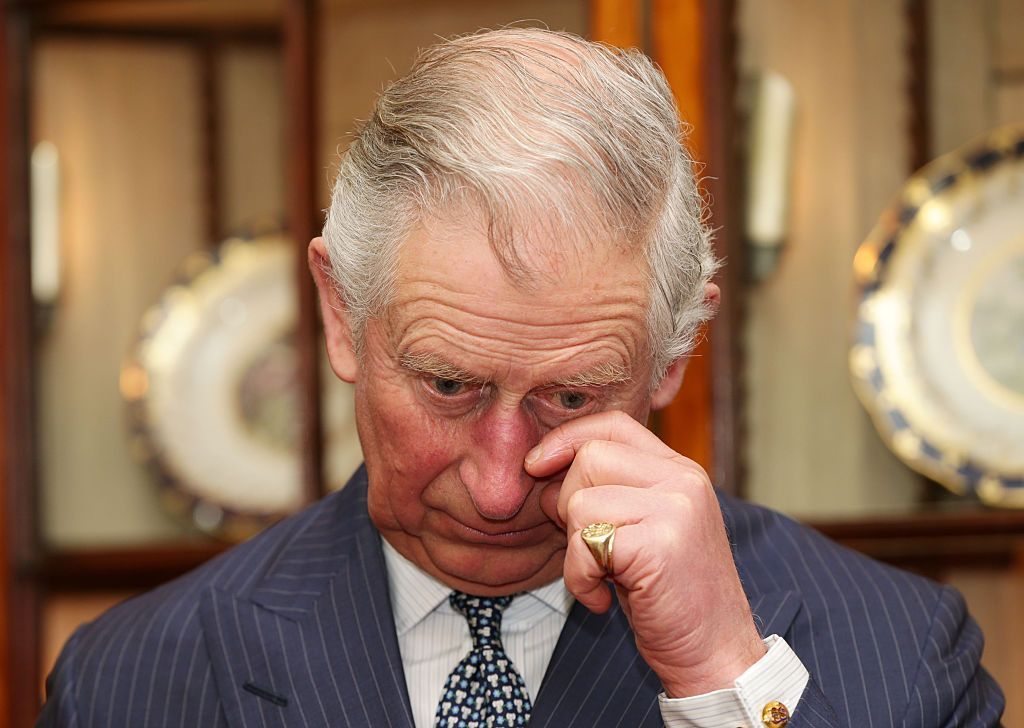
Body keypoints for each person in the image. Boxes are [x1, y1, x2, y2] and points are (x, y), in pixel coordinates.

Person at [39, 28, 1002, 728]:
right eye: (449, 386)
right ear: (340, 314)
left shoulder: (903, 656)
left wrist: (724, 679)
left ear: (672, 356)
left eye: (571, 397)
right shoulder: (131, 682)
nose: (501, 488)